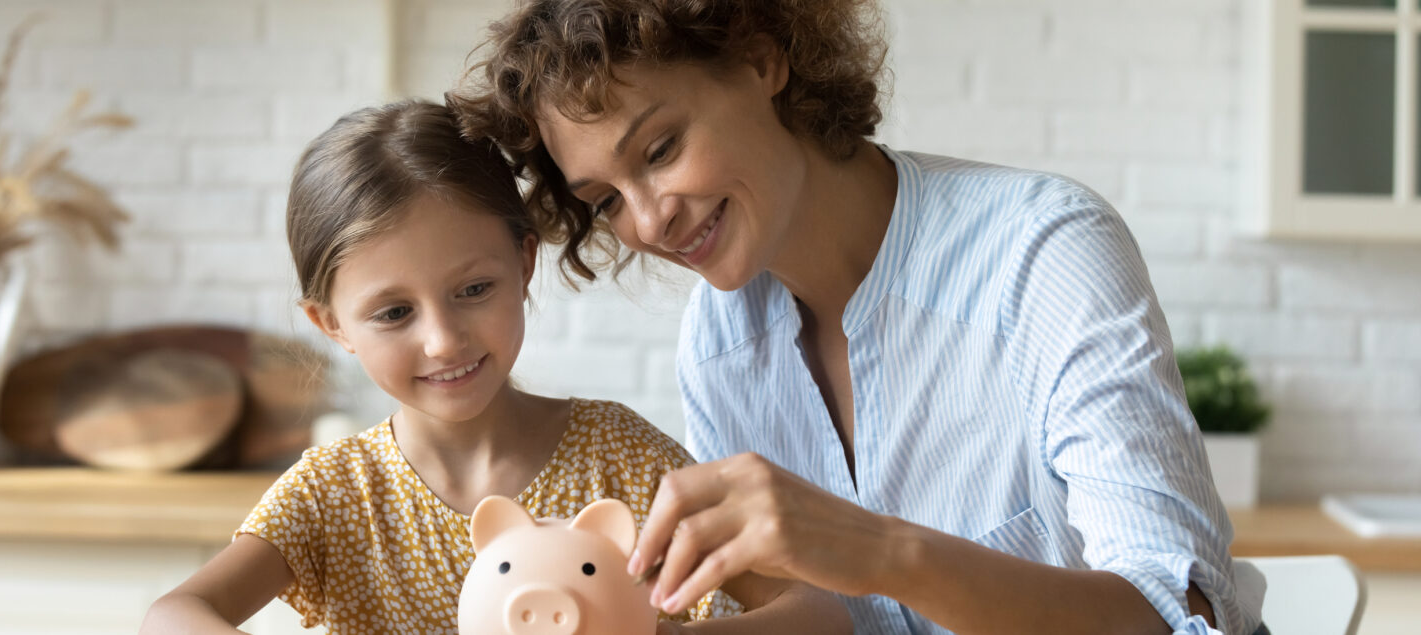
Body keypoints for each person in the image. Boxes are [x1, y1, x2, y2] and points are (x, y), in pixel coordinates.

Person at [451, 1, 1268, 634]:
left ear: (760, 58)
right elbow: (829, 617)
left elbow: (1173, 616)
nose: (650, 221)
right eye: (606, 201)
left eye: (660, 150)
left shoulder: (1040, 252)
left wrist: (876, 549)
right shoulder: (721, 336)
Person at [137, 100, 851, 635]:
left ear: (523, 262)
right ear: (331, 325)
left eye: (473, 290)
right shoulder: (333, 494)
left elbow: (820, 613)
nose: (444, 341)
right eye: (393, 313)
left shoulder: (620, 461)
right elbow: (174, 612)